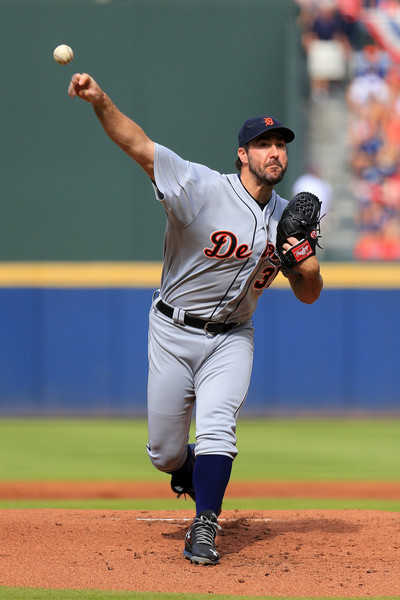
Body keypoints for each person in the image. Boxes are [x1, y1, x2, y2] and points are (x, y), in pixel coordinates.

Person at [68, 73, 323, 565]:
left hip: (232, 338)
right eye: (263, 144)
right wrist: (100, 100)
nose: (275, 152)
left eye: (280, 145)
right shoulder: (199, 187)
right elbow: (138, 145)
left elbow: (309, 293)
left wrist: (303, 260)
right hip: (171, 330)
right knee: (164, 454)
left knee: (216, 428)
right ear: (242, 155)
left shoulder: (291, 216)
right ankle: (190, 471)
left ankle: (204, 524)